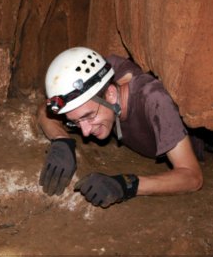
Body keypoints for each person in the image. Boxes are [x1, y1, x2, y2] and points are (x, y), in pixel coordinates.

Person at [37, 47, 203, 207]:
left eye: (88, 116)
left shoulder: (154, 101)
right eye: (76, 122)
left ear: (110, 94)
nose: (85, 132)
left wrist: (126, 185)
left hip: (200, 142)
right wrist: (61, 140)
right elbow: (44, 110)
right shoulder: (100, 75)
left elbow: (192, 177)